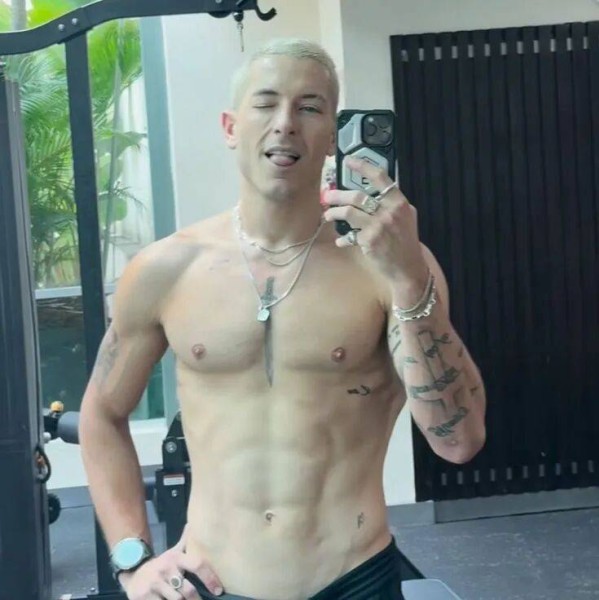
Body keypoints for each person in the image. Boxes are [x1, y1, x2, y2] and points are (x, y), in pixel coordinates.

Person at [78, 38, 487, 600]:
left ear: (333, 135)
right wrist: (133, 560)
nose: (286, 123)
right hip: (211, 582)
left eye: (310, 107)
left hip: (353, 578)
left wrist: (409, 281)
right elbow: (101, 415)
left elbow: (459, 441)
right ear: (230, 127)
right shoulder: (167, 269)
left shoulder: (388, 266)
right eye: (266, 103)